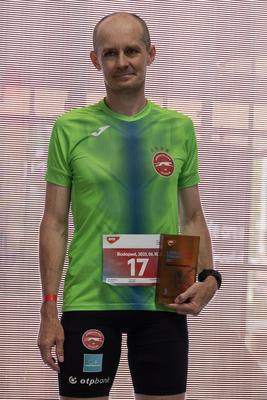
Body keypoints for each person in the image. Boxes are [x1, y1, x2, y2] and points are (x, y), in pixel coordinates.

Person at [38, 11, 221, 400]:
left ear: (150, 54)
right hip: (89, 302)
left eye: (132, 50)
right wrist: (49, 308)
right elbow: (54, 222)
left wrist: (209, 278)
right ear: (95, 59)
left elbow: (191, 215)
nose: (122, 62)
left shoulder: (179, 128)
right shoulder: (69, 129)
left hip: (163, 301)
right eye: (110, 53)